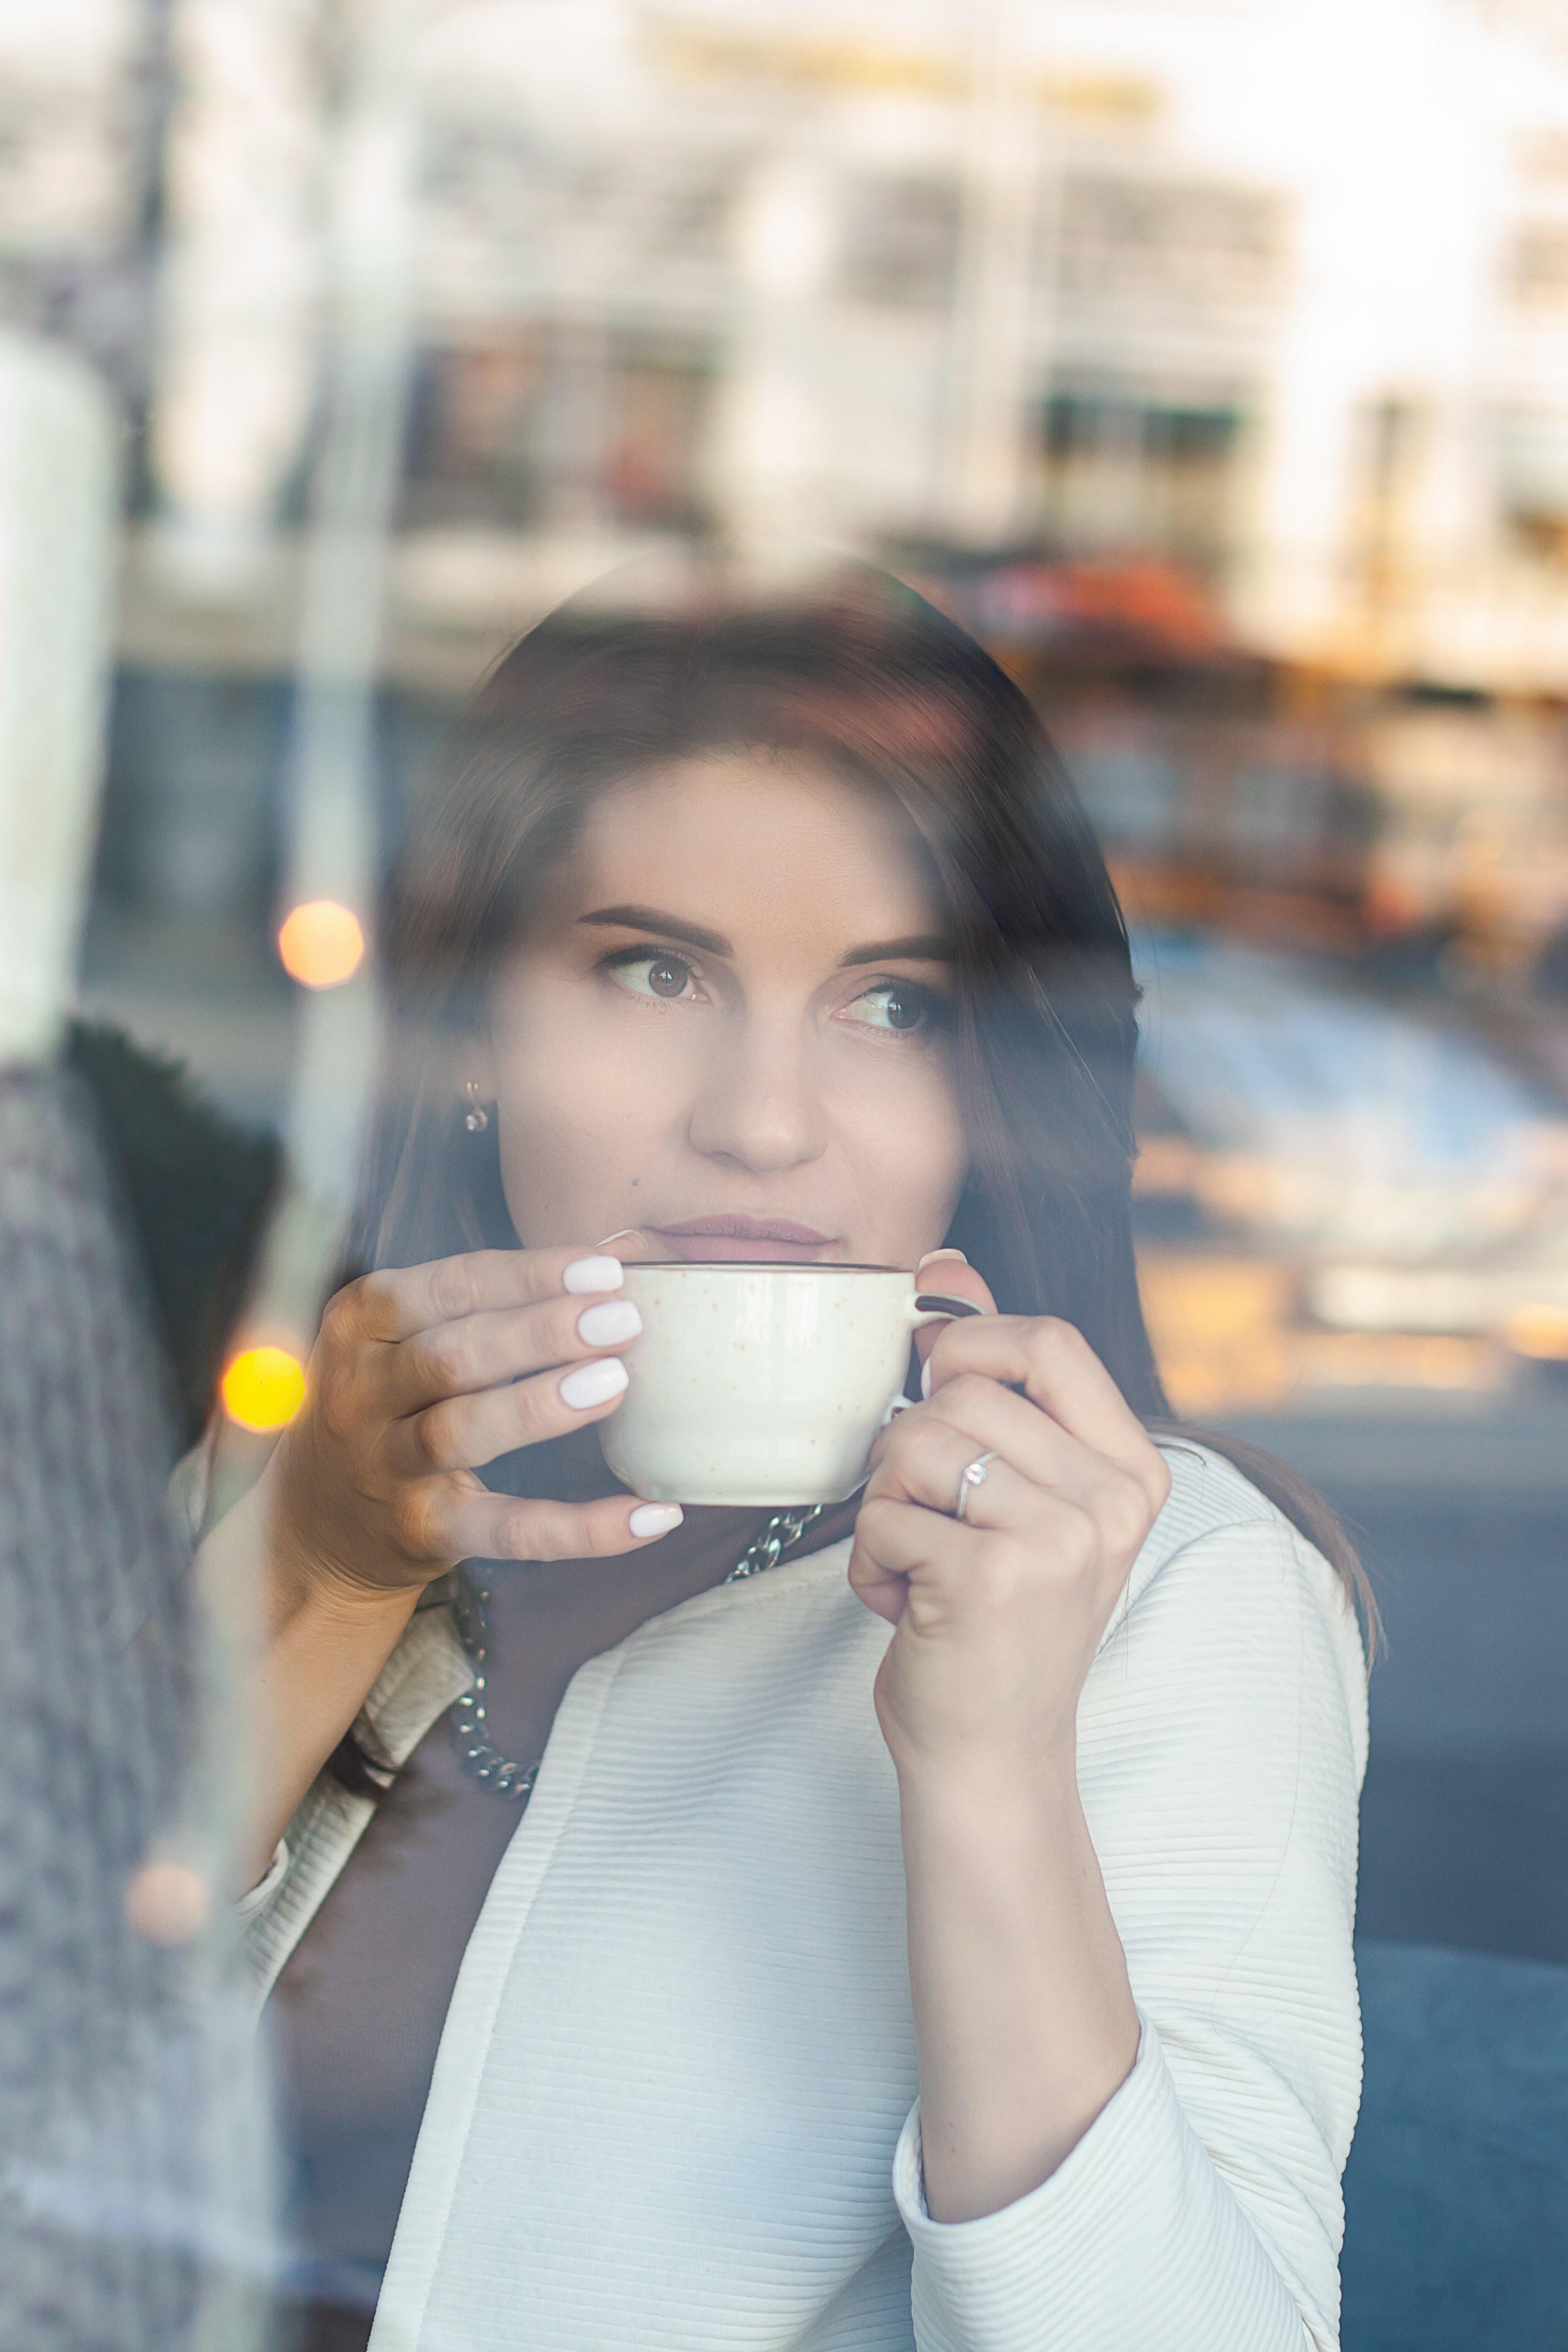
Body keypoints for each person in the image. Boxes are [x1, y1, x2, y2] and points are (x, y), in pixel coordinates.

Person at [207, 570, 1371, 2352]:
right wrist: (317, 1570)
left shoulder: (1175, 1589)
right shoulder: (326, 1459)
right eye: (653, 972)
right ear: (473, 1040)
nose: (760, 1122)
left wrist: (993, 1767)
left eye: (891, 1007)